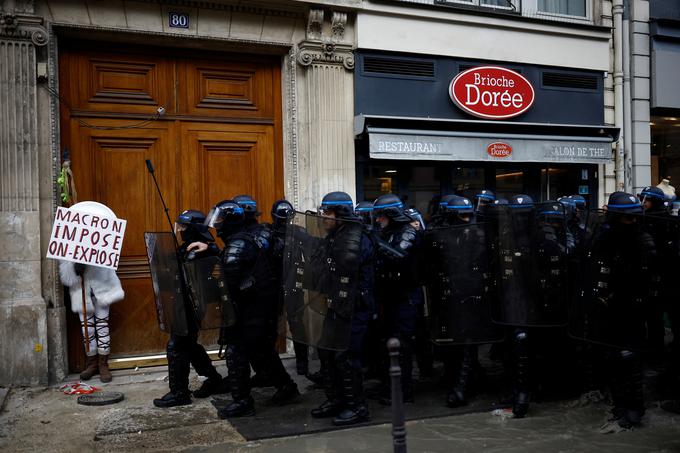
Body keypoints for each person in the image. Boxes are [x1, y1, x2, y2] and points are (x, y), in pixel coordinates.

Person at [200, 197, 299, 418]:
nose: (217, 225)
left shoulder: (238, 244)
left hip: (250, 308)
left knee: (237, 352)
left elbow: (227, 282)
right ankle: (287, 387)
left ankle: (242, 401)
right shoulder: (255, 235)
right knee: (262, 350)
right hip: (264, 305)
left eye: (221, 220)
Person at [572, 192, 657, 431]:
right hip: (607, 310)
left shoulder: (643, 242)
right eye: (625, 218)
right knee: (611, 360)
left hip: (632, 310)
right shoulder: (605, 238)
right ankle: (620, 408)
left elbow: (645, 280)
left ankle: (633, 414)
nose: (630, 223)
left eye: (633, 219)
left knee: (628, 359)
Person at [309, 192, 374, 426]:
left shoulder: (355, 237)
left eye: (328, 212)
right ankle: (336, 399)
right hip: (336, 304)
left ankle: (357, 407)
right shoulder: (335, 235)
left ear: (341, 213)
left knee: (346, 357)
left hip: (355, 306)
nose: (323, 217)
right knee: (326, 352)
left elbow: (346, 265)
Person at [153, 210, 226, 408]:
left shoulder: (200, 250)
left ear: (194, 228)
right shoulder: (190, 247)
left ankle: (179, 392)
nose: (181, 230)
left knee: (176, 346)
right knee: (189, 345)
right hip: (184, 304)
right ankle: (213, 379)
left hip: (191, 306)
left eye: (184, 227)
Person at [58, 201, 125, 383]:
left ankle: (104, 363)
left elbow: (109, 268)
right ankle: (92, 363)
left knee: (102, 325)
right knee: (87, 329)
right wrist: (75, 268)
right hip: (81, 293)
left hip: (102, 290)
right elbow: (66, 277)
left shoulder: (103, 245)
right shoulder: (68, 249)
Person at [372, 194, 421, 404]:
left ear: (390, 214)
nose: (377, 220)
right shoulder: (387, 232)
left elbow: (399, 256)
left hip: (406, 297)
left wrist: (375, 240)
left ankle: (403, 391)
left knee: (402, 346)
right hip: (390, 296)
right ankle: (389, 386)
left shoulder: (408, 231)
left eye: (380, 216)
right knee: (388, 345)